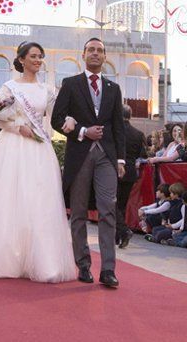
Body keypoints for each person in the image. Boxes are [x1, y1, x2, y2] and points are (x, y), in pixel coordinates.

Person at [0, 42, 77, 284]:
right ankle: (6, 257)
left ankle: (42, 260)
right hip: (13, 146)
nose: (38, 60)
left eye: (41, 56)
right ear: (21, 60)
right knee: (10, 197)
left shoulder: (47, 89)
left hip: (39, 149)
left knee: (39, 199)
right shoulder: (10, 87)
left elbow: (55, 117)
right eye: (33, 56)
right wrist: (17, 127)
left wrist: (69, 119)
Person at [51, 37, 125, 288]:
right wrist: (82, 131)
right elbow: (56, 119)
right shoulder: (70, 84)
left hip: (106, 156)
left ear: (105, 57)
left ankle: (108, 269)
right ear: (83, 55)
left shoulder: (113, 89)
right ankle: (83, 264)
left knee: (108, 209)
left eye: (100, 51)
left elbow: (118, 127)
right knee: (79, 212)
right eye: (91, 50)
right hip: (79, 154)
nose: (95, 54)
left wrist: (121, 159)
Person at [116, 104, 145, 249]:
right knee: (121, 204)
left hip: (115, 169)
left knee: (111, 203)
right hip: (131, 172)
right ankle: (119, 235)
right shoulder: (138, 134)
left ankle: (123, 231)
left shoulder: (115, 131)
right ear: (130, 116)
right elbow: (142, 154)